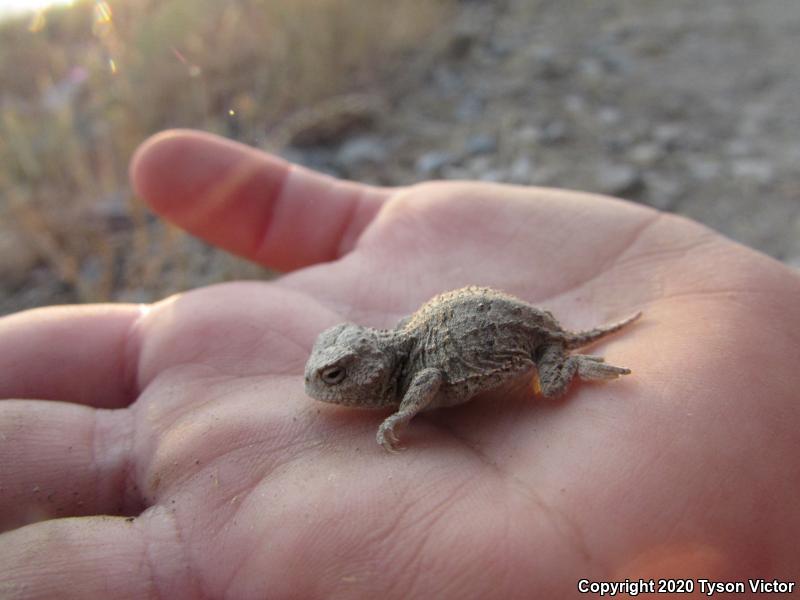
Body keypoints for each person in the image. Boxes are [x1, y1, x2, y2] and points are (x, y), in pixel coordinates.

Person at [0, 130, 797, 598]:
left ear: (371, 368)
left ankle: (575, 364)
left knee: (553, 382)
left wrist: (406, 418)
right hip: (485, 323)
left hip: (527, 341)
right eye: (328, 372)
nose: (323, 387)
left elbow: (426, 384)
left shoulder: (413, 369)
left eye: (337, 375)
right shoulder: (395, 348)